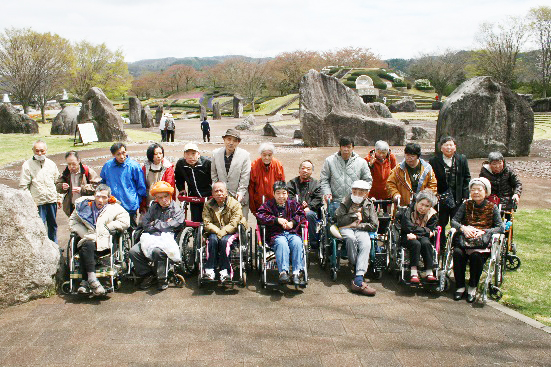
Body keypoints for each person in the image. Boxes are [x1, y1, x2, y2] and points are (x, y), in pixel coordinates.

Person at [69, 184, 130, 296]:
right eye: (98, 196)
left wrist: (109, 227)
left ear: (109, 198)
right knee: (87, 245)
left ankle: (85, 282)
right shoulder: (83, 206)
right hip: (88, 239)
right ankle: (93, 280)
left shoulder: (114, 208)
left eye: (104, 197)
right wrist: (84, 233)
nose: (100, 200)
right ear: (94, 196)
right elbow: (73, 221)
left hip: (106, 242)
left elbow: (125, 221)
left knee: (85, 249)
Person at [451, 177, 504, 303]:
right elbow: (453, 221)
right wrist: (463, 228)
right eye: (473, 190)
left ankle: (472, 287)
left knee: (476, 256)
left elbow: (500, 227)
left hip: (481, 243)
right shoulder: (466, 205)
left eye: (479, 190)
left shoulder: (492, 207)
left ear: (486, 192)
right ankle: (460, 286)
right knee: (457, 253)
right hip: (465, 240)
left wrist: (484, 231)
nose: (475, 192)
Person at [129, 181, 185, 291]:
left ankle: (162, 278)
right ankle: (148, 274)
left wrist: (155, 223)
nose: (164, 200)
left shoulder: (177, 209)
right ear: (156, 199)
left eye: (166, 196)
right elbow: (145, 223)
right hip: (150, 237)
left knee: (157, 251)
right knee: (133, 251)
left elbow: (174, 225)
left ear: (170, 195)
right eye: (160, 198)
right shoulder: (153, 208)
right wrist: (161, 225)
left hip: (167, 239)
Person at [256, 181, 307, 285]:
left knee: (297, 242)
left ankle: (296, 273)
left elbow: (302, 215)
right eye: (278, 193)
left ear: (287, 194)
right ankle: (283, 272)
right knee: (282, 243)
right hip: (276, 235)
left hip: (292, 233)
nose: (281, 196)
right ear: (273, 194)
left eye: (283, 193)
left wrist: (292, 223)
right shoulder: (267, 205)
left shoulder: (293, 204)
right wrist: (276, 220)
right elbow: (260, 216)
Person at [335, 180, 378, 296]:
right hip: (346, 228)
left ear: (366, 194)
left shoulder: (369, 204)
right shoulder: (345, 201)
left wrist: (359, 225)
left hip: (361, 228)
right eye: (355, 192)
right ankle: (355, 263)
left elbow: (374, 225)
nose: (357, 195)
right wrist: (354, 216)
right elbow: (339, 220)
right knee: (350, 238)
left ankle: (359, 275)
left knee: (366, 243)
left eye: (361, 193)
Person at [429, 136, 471, 246]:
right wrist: (434, 194)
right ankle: (440, 246)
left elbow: (467, 177)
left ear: (455, 147)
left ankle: (455, 246)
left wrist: (465, 195)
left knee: (456, 223)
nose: (448, 147)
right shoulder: (434, 160)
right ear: (441, 148)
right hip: (441, 197)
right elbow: (431, 178)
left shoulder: (462, 159)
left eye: (451, 145)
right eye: (446, 145)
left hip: (457, 197)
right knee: (440, 223)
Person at [202, 181, 247, 282]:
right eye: (216, 191)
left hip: (232, 232)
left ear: (226, 192)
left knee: (224, 241)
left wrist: (223, 232)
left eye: (221, 191)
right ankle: (209, 270)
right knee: (212, 240)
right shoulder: (208, 205)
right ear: (212, 194)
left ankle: (225, 271)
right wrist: (218, 231)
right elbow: (207, 222)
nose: (219, 193)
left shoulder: (235, 204)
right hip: (215, 231)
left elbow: (234, 223)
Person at [19, 140, 62, 243]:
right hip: (37, 203)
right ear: (33, 150)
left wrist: (59, 197)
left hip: (51, 201)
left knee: (53, 226)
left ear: (46, 150)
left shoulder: (51, 164)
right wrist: (30, 202)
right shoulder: (27, 165)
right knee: (39, 227)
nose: (39, 153)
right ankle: (40, 250)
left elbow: (58, 182)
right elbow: (23, 186)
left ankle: (54, 247)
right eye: (37, 151)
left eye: (42, 151)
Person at [320, 136, 372, 217]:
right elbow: (324, 179)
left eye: (348, 147)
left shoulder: (361, 162)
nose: (346, 149)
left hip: (355, 202)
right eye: (343, 146)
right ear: (340, 147)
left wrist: (363, 194)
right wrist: (327, 193)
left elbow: (367, 180)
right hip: (335, 201)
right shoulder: (329, 161)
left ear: (353, 148)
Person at [100, 143, 147, 228]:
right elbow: (103, 182)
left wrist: (136, 201)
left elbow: (141, 186)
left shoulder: (134, 166)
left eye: (123, 153)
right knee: (112, 229)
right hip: (112, 204)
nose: (122, 156)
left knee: (131, 229)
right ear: (113, 155)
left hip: (130, 205)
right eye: (118, 154)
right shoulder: (108, 166)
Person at [400, 190, 439, 284]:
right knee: (415, 244)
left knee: (426, 243)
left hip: (419, 237)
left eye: (427, 206)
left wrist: (417, 235)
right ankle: (414, 272)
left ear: (430, 207)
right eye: (421, 204)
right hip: (407, 236)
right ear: (417, 202)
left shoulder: (433, 215)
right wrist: (424, 231)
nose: (423, 208)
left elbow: (431, 231)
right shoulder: (408, 210)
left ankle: (429, 271)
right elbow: (408, 226)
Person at [211, 129, 251, 217]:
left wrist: (240, 192)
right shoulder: (216, 154)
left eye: (235, 140)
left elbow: (245, 176)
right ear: (224, 140)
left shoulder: (245, 155)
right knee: (222, 227)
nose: (231, 143)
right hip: (221, 197)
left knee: (240, 226)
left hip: (239, 196)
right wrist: (217, 190)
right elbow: (214, 174)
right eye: (229, 139)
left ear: (238, 142)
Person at [386, 143, 437, 207]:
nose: (409, 158)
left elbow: (433, 185)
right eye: (407, 155)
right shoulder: (398, 169)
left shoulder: (427, 169)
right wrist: (395, 194)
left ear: (417, 156)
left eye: (412, 156)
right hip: (404, 205)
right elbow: (390, 183)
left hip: (422, 205)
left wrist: (425, 197)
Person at [287, 159, 323, 247]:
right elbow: (289, 196)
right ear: (299, 170)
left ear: (311, 171)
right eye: (303, 168)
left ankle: (313, 242)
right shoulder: (292, 183)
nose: (305, 171)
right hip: (295, 210)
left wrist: (309, 207)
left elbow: (318, 198)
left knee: (309, 215)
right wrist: (299, 205)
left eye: (308, 169)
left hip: (310, 211)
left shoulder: (316, 184)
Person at [174, 142, 212, 222]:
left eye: (193, 154)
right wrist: (181, 189)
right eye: (187, 154)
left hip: (208, 195)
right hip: (193, 195)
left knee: (209, 219)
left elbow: (215, 178)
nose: (191, 157)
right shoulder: (181, 164)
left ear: (198, 154)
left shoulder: (207, 163)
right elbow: (179, 178)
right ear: (184, 155)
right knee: (195, 220)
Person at [56, 151, 101, 217]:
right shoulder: (66, 173)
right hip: (71, 208)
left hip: (87, 208)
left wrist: (82, 189)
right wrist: (62, 186)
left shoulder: (87, 171)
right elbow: (57, 186)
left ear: (78, 161)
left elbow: (97, 186)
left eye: (73, 164)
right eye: (69, 164)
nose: (71, 166)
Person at [249, 143, 285, 215]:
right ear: (261, 154)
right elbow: (251, 187)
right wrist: (253, 208)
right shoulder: (254, 166)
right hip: (259, 202)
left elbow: (283, 185)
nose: (267, 158)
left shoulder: (278, 165)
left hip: (275, 202)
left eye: (269, 155)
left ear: (272, 155)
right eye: (264, 155)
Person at [141, 143, 175, 213]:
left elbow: (170, 186)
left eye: (160, 153)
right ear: (150, 155)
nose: (159, 156)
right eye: (156, 154)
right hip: (148, 200)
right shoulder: (145, 167)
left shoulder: (167, 167)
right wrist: (142, 205)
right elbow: (142, 186)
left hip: (163, 202)